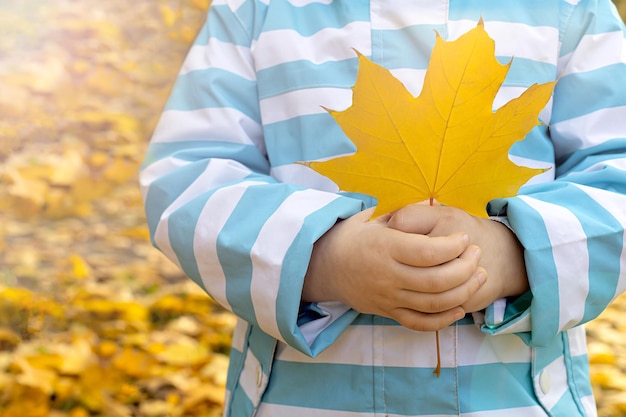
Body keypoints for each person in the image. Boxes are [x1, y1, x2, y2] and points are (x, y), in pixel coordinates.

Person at [139, 1, 626, 416]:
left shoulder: (567, 10)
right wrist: (323, 257)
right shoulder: (258, 12)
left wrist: (513, 253)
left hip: (514, 400)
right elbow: (188, 180)